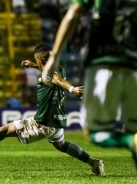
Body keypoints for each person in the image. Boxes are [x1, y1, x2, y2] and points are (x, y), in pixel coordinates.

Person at [0, 43, 105, 176]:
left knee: (4, 130)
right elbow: (55, 74)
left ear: (41, 60)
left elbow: (56, 79)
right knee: (61, 145)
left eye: (38, 60)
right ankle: (93, 162)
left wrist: (72, 88)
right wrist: (34, 64)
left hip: (43, 123)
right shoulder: (60, 68)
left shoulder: (49, 74)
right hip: (56, 120)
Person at [42, 0, 137, 169]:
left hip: (103, 65)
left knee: (94, 133)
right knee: (134, 129)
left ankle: (130, 141)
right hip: (134, 68)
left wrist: (55, 56)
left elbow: (74, 13)